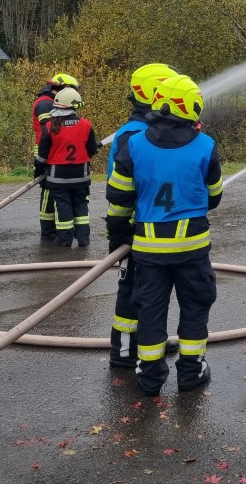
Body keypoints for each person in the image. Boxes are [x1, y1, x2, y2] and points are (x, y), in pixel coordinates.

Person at [105, 74, 223, 395]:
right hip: (192, 252)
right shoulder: (206, 146)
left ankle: (150, 377)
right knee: (195, 307)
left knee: (151, 311)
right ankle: (191, 372)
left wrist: (117, 237)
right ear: (192, 108)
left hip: (148, 254)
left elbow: (118, 199)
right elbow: (214, 197)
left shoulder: (134, 145)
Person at [106, 63, 178, 368]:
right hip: (138, 228)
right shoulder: (138, 136)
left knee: (150, 291)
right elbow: (121, 191)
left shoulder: (135, 133)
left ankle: (149, 343)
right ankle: (123, 351)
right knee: (133, 291)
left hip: (147, 226)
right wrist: (119, 231)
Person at [35, 87, 99, 248]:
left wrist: (38, 173)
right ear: (75, 106)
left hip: (58, 178)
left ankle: (65, 240)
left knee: (62, 207)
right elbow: (91, 150)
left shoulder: (49, 127)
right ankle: (83, 239)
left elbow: (42, 157)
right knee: (81, 206)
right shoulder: (86, 125)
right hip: (81, 175)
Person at [32, 72, 81, 241]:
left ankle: (55, 231)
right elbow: (49, 133)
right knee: (48, 191)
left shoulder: (50, 102)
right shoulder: (45, 105)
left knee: (56, 190)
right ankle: (48, 233)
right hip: (48, 150)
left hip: (56, 150)